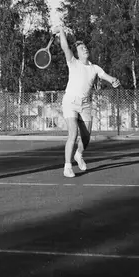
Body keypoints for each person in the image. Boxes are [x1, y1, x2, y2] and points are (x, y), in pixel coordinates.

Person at [54, 25, 120, 178]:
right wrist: (61, 31)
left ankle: (78, 154)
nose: (85, 49)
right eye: (81, 48)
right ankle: (67, 167)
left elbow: (106, 76)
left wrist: (113, 80)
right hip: (70, 102)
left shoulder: (94, 68)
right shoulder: (73, 62)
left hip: (85, 105)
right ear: (77, 53)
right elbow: (65, 47)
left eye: (85, 47)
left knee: (86, 137)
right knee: (73, 133)